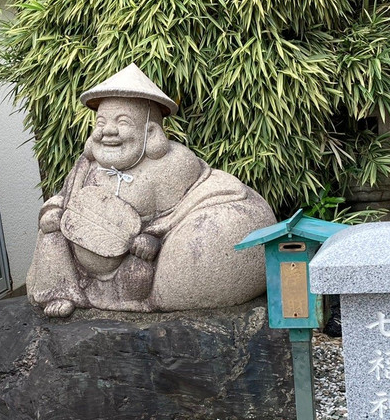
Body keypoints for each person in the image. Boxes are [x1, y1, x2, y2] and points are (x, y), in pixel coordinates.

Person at [27, 64, 276, 316]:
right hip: (85, 252)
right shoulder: (87, 164)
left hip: (131, 253)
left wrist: (153, 235)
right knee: (50, 234)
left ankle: (133, 299)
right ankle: (62, 292)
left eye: (122, 122)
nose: (107, 131)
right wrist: (54, 210)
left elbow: (184, 206)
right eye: (101, 122)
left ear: (151, 131)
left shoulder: (172, 164)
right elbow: (66, 196)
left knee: (139, 272)